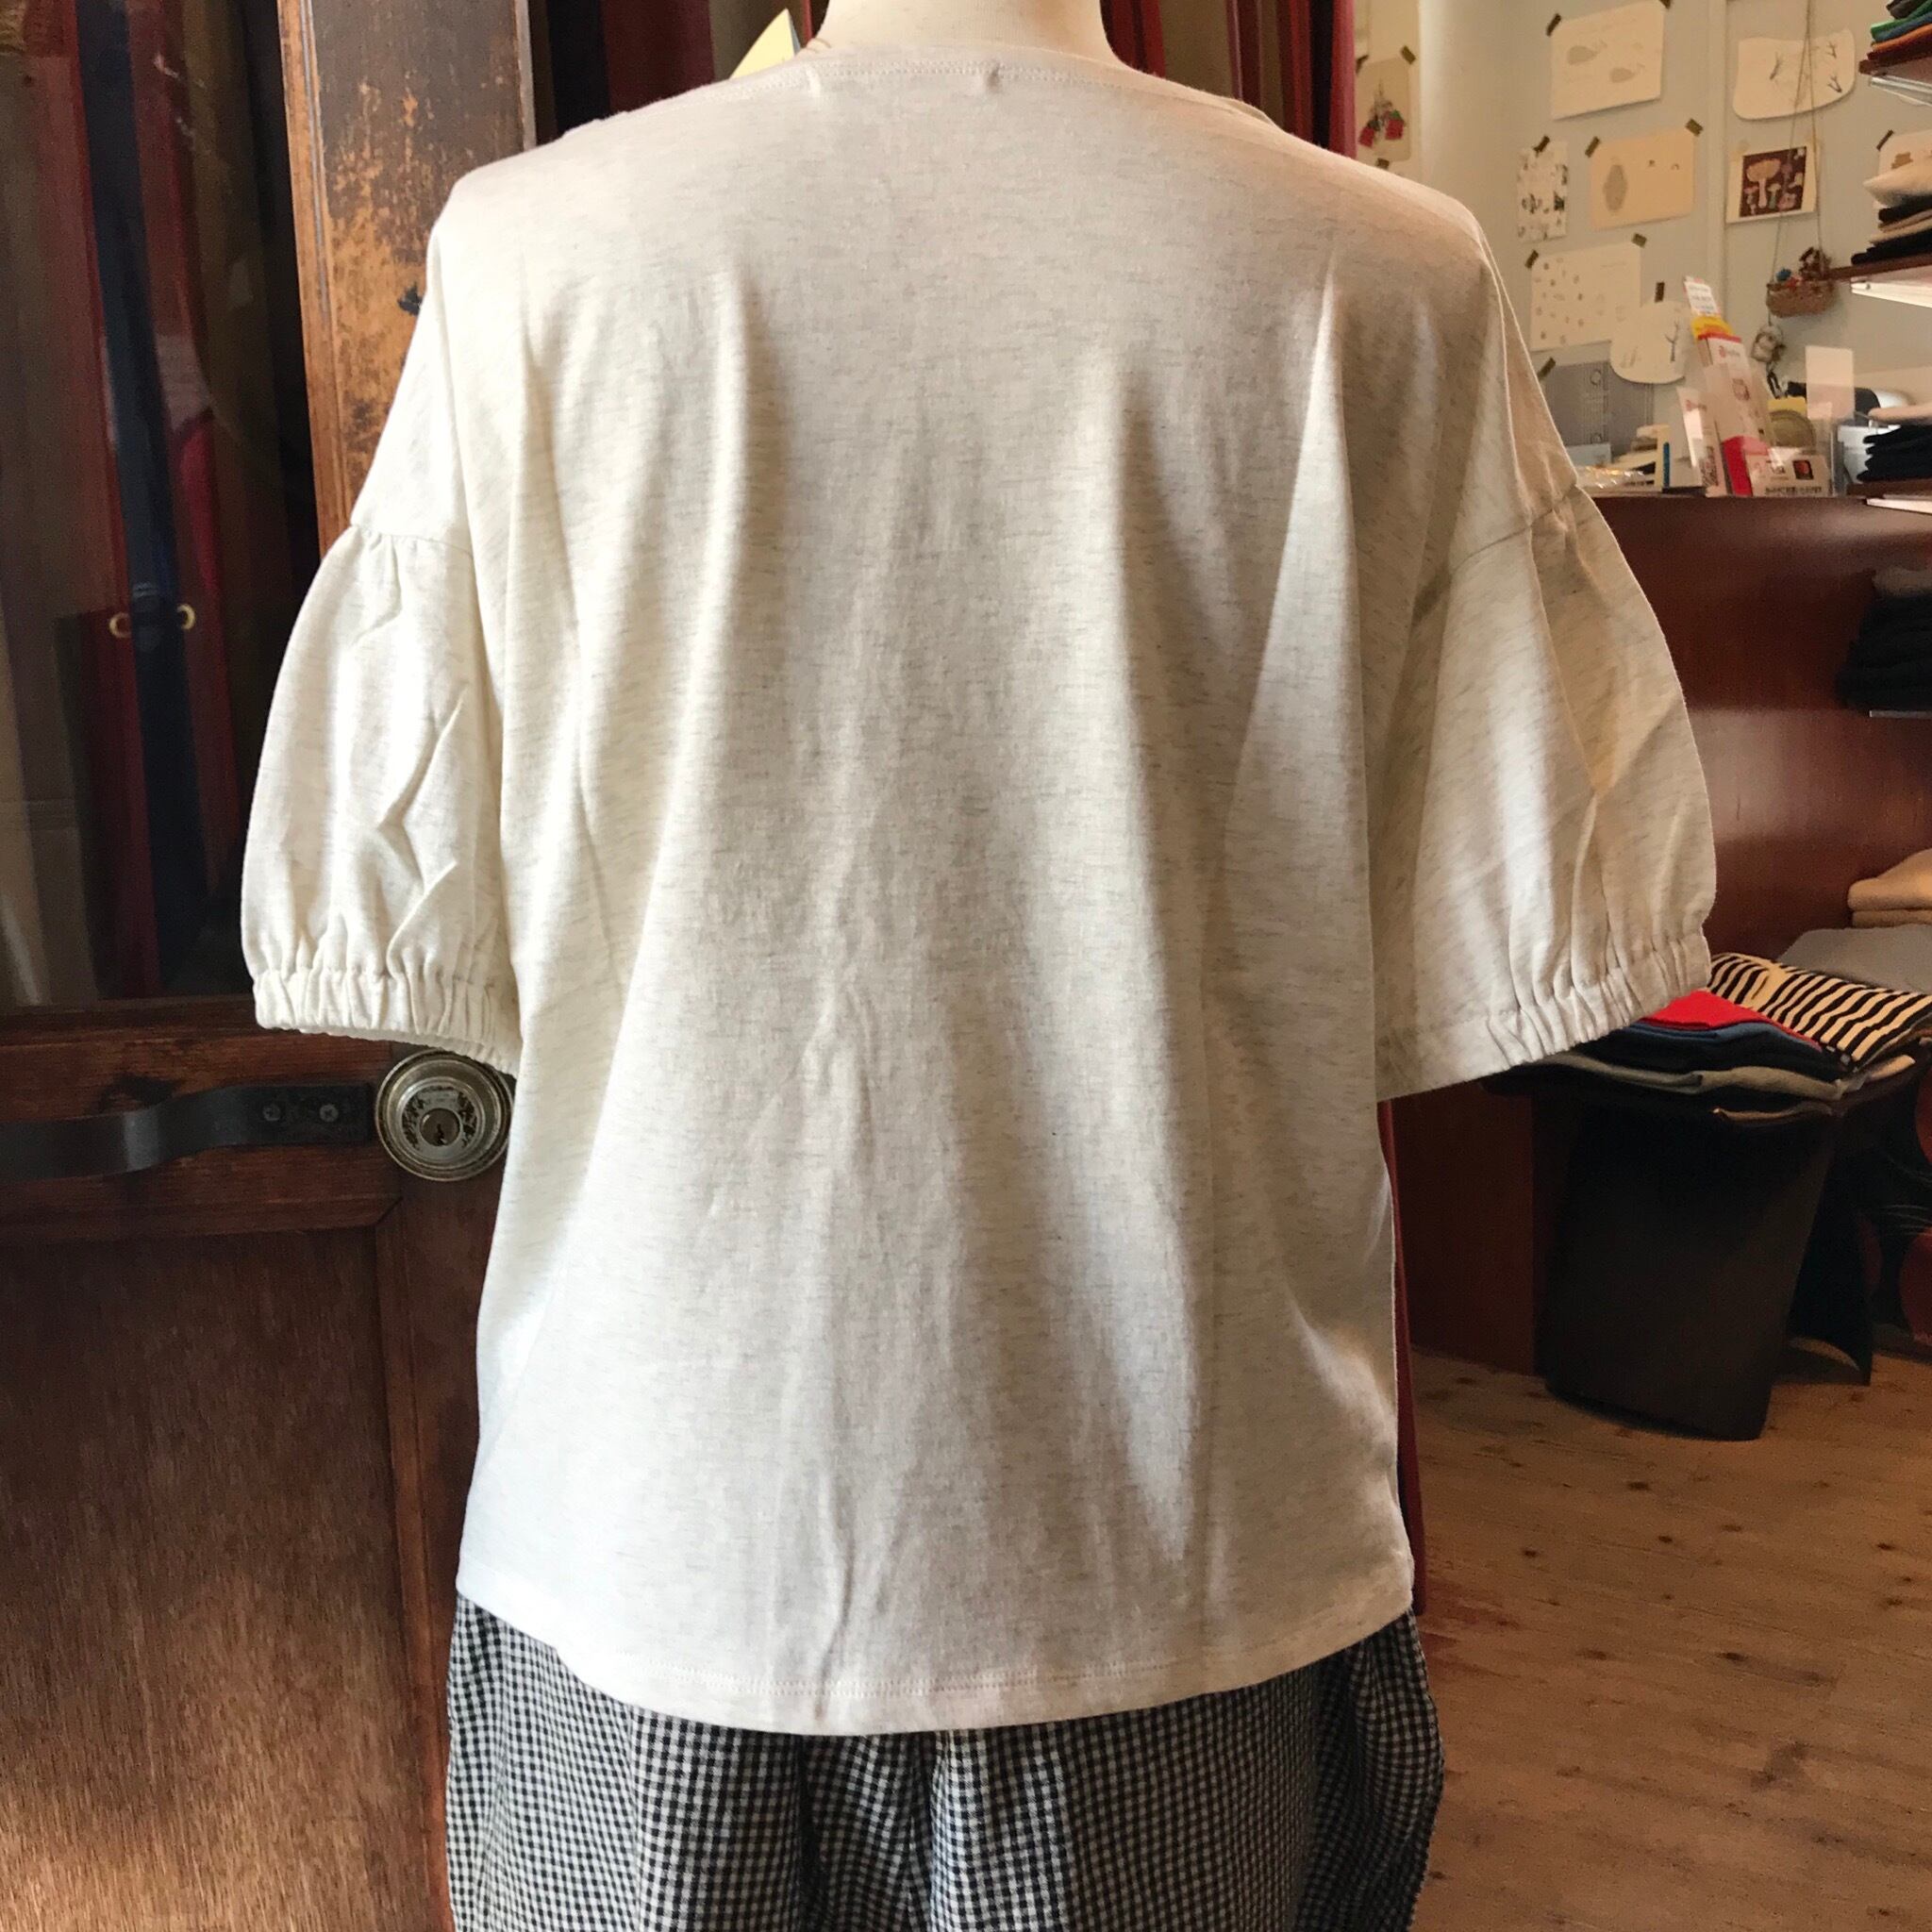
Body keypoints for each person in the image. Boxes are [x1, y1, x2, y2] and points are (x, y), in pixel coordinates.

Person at [239, 1, 1717, 1924]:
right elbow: (1496, 922)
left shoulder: (538, 248)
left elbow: (398, 887)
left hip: (680, 1531)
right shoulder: (1377, 267)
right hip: (1160, 1540)